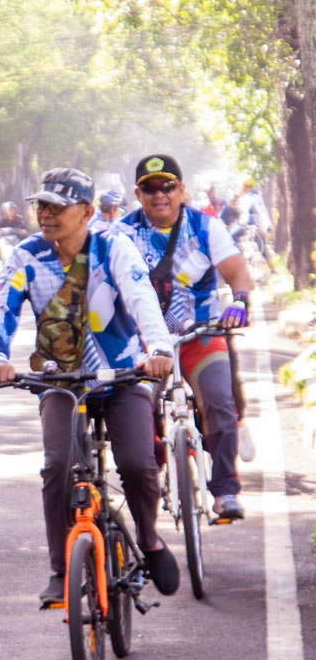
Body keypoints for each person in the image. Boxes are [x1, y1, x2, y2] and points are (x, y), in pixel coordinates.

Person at [0, 167, 179, 606]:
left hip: (123, 375)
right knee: (57, 466)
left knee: (138, 463)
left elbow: (140, 297)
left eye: (58, 206)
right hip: (60, 378)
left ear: (88, 211)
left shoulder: (113, 246)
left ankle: (148, 539)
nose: (47, 215)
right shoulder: (26, 255)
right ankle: (60, 567)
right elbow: (0, 303)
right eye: (42, 206)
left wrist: (159, 347)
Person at [119, 154, 253, 521]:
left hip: (200, 335)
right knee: (135, 413)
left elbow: (238, 274)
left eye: (168, 186)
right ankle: (157, 465)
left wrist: (239, 301)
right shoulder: (122, 233)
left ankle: (225, 490)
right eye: (149, 188)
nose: (159, 194)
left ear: (182, 190)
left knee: (221, 403)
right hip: (147, 342)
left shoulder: (206, 228)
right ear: (138, 193)